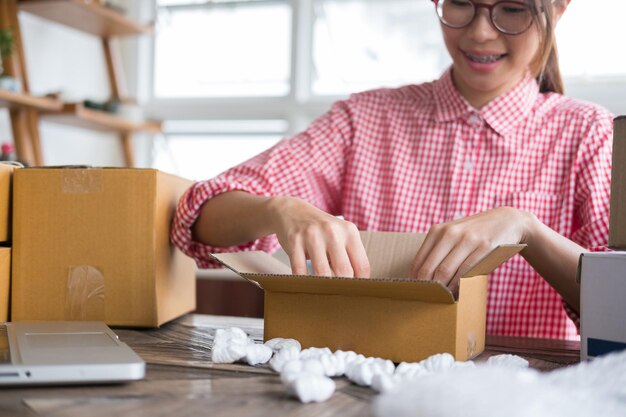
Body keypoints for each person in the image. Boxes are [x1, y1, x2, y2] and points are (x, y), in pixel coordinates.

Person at [171, 0, 612, 340]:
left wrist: (526, 230)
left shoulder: (587, 132)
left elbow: (617, 301)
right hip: (357, 385)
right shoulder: (364, 118)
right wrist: (279, 209)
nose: (480, 32)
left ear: (557, 8)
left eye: (512, 9)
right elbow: (198, 216)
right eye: (460, 3)